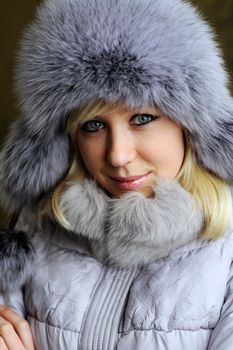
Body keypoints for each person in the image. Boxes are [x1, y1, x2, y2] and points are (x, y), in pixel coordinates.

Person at [0, 0, 233, 348]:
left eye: (142, 118)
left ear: (190, 125)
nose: (118, 155)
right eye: (93, 125)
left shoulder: (226, 257)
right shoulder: (33, 231)